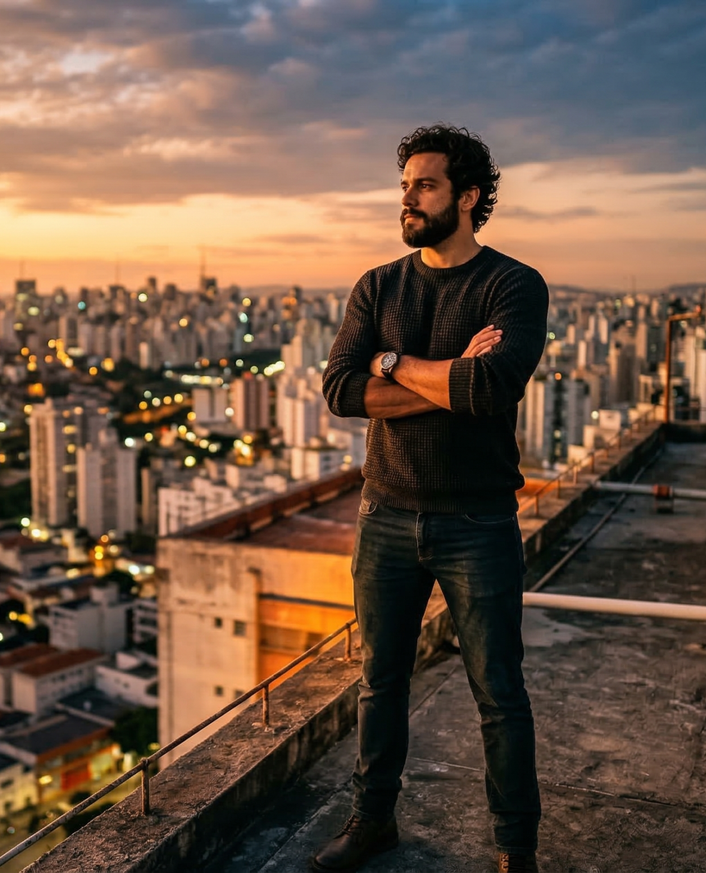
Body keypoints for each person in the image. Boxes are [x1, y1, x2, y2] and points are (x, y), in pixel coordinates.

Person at [314, 125, 549, 873]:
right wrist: (442, 375)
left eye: (425, 185)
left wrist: (392, 364)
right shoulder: (378, 285)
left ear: (468, 197)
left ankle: (515, 848)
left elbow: (488, 389)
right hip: (385, 512)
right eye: (405, 185)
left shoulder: (513, 286)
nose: (408, 199)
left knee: (498, 693)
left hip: (478, 519)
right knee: (380, 683)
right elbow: (341, 389)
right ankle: (371, 821)